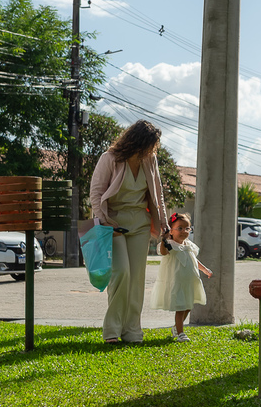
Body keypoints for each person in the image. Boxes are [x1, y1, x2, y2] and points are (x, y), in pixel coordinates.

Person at [89, 119, 170, 344]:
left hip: (140, 223)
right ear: (136, 141)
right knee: (122, 273)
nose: (151, 150)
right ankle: (112, 331)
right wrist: (105, 222)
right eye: (148, 145)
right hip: (113, 223)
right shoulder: (109, 158)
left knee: (136, 279)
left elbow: (158, 193)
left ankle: (132, 331)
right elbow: (96, 193)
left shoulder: (150, 160)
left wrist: (164, 223)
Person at [152, 212, 212, 341]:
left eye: (187, 228)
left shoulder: (188, 245)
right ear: (171, 231)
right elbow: (163, 252)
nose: (184, 231)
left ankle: (176, 328)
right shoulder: (169, 245)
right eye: (180, 228)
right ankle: (180, 333)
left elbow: (194, 260)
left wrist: (204, 269)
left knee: (188, 306)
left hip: (190, 281)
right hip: (177, 282)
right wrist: (163, 239)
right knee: (181, 307)